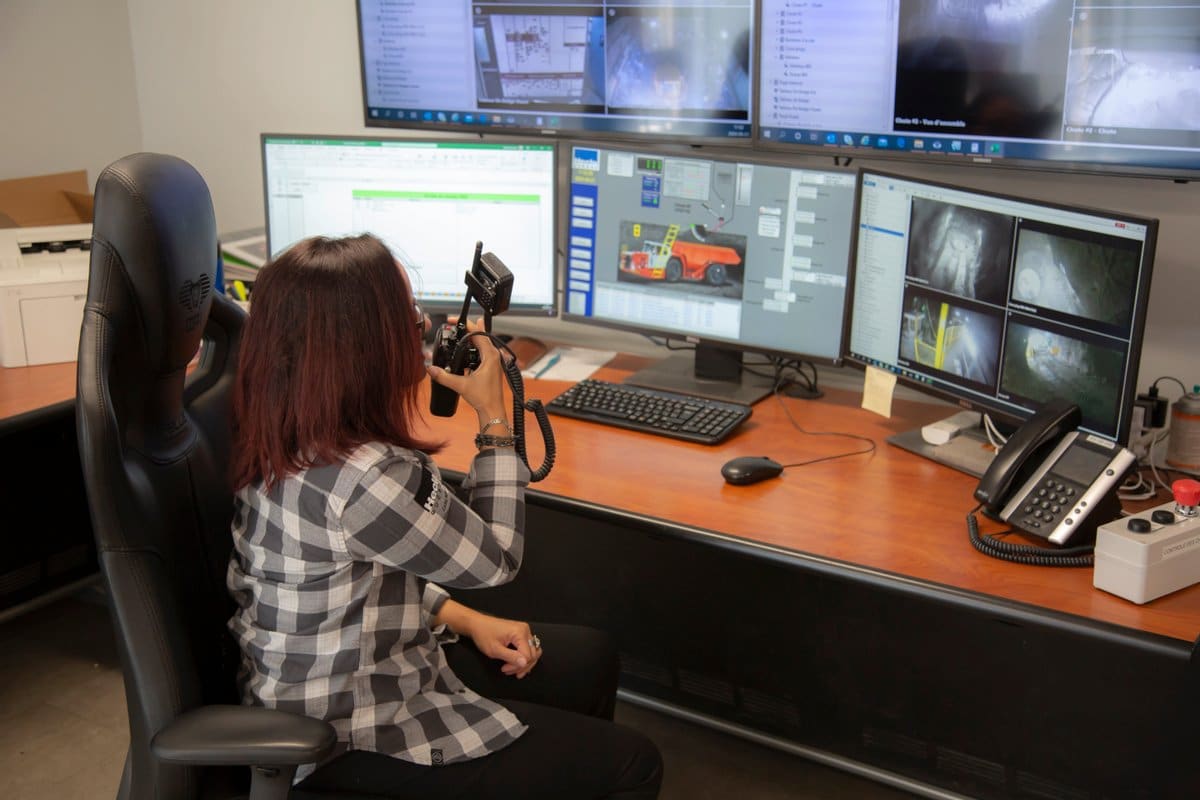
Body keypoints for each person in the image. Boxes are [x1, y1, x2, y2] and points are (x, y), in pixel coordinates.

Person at [226, 233, 663, 798]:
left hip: (322, 678)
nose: (428, 329)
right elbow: (497, 561)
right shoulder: (368, 480)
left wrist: (462, 617)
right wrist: (493, 415)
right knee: (633, 763)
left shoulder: (282, 433)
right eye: (411, 320)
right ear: (364, 350)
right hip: (348, 734)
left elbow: (347, 584)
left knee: (590, 658)